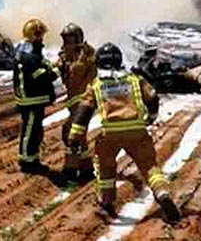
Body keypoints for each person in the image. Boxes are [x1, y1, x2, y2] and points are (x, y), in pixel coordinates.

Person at [68, 43, 181, 224]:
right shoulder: (135, 79)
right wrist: (151, 116)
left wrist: (74, 136)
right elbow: (152, 97)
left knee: (106, 166)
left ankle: (106, 200)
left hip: (110, 134)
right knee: (150, 167)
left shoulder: (96, 85)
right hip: (137, 131)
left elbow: (83, 112)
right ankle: (162, 193)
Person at [13, 18, 59, 173]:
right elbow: (40, 75)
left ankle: (32, 158)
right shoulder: (28, 54)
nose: (42, 39)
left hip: (33, 99)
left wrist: (53, 65)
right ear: (33, 35)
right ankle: (26, 162)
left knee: (35, 131)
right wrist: (56, 72)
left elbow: (42, 63)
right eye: (39, 35)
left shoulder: (28, 50)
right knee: (31, 131)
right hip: (31, 100)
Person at [57, 23, 97, 182]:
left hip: (85, 102)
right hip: (74, 103)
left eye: (71, 39)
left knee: (71, 133)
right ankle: (86, 168)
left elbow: (80, 72)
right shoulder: (66, 56)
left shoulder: (87, 55)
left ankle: (70, 170)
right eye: (66, 39)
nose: (68, 43)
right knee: (78, 135)